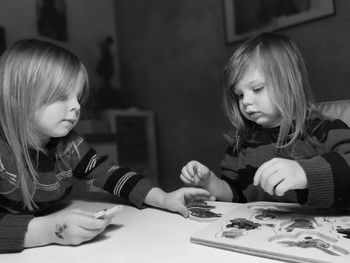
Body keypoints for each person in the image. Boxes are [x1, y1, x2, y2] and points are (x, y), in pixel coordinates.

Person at [0, 39, 214, 253]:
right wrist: (50, 230)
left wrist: (163, 198)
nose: (76, 106)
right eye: (61, 96)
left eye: (78, 97)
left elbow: (111, 174)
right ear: (17, 99)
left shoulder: (69, 145)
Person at [180, 32, 350, 209]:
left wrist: (305, 173)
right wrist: (211, 183)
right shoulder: (241, 146)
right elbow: (237, 196)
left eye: (257, 89)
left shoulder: (323, 130)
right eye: (239, 95)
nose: (245, 101)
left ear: (289, 82)